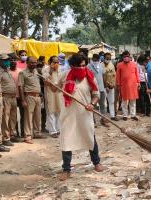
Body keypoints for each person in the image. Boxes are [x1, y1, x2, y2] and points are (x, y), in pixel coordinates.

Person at [55, 53, 106, 181]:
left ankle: (96, 162)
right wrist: (51, 84)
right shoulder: (64, 75)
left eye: (84, 65)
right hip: (68, 114)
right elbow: (54, 88)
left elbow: (96, 94)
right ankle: (66, 169)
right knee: (66, 140)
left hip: (85, 114)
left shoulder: (89, 76)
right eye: (80, 66)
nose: (83, 68)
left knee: (90, 137)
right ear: (72, 66)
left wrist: (92, 104)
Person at [18, 56, 46, 144]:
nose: (34, 64)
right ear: (27, 63)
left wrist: (41, 94)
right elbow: (21, 87)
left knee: (38, 116)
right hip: (29, 97)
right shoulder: (22, 73)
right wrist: (23, 100)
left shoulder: (36, 71)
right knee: (28, 117)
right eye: (32, 62)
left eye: (35, 62)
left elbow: (37, 84)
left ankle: (37, 133)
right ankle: (28, 136)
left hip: (37, 97)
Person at [0, 54, 19, 146]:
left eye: (8, 60)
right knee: (5, 118)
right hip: (5, 97)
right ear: (0, 61)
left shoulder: (7, 71)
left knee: (13, 118)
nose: (8, 61)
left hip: (13, 97)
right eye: (6, 60)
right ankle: (5, 138)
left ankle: (12, 135)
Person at [116, 50, 140, 121]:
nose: (126, 58)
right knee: (124, 101)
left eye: (127, 56)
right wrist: (118, 84)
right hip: (124, 86)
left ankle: (133, 115)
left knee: (133, 100)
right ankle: (125, 115)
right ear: (123, 57)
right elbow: (118, 76)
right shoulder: (119, 65)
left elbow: (137, 74)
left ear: (129, 57)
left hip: (133, 85)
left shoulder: (134, 64)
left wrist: (138, 82)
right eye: (125, 56)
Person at [42, 56, 62, 138]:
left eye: (57, 62)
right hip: (50, 92)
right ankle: (52, 131)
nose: (56, 64)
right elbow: (45, 80)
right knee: (51, 111)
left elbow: (62, 79)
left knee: (58, 110)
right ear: (50, 62)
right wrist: (51, 70)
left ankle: (57, 129)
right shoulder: (45, 69)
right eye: (54, 62)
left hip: (58, 92)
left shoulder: (60, 69)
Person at [88, 54, 110, 127]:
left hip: (101, 88)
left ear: (99, 60)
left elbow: (103, 76)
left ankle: (103, 120)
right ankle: (92, 122)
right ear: (92, 59)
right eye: (94, 59)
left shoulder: (101, 66)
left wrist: (105, 86)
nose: (96, 61)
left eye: (97, 60)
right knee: (92, 105)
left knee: (102, 105)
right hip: (92, 89)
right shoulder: (88, 66)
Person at [8, 53, 23, 141]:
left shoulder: (20, 71)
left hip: (20, 97)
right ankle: (14, 134)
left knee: (22, 116)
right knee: (12, 117)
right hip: (11, 97)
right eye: (11, 60)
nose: (13, 61)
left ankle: (23, 134)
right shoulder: (6, 71)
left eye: (14, 60)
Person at [102, 53, 118, 121]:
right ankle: (103, 117)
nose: (108, 59)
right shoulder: (100, 66)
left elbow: (114, 75)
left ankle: (112, 116)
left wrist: (113, 84)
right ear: (104, 58)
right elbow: (101, 77)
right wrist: (106, 85)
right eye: (107, 58)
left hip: (111, 86)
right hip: (103, 87)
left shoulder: (112, 65)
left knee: (111, 101)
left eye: (109, 58)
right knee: (103, 103)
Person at [37, 56, 48, 133]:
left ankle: (43, 127)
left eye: (41, 67)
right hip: (38, 94)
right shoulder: (35, 74)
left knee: (44, 111)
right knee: (38, 111)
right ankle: (38, 128)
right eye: (38, 67)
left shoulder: (44, 74)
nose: (39, 68)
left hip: (44, 93)